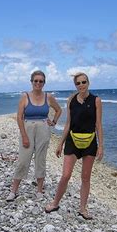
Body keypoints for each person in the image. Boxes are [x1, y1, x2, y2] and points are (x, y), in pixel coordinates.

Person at [45, 72, 103, 219]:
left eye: (84, 82)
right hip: (72, 140)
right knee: (65, 175)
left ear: (88, 83)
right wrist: (60, 143)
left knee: (85, 177)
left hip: (90, 141)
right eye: (78, 83)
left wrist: (101, 145)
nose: (81, 85)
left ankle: (83, 209)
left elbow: (98, 125)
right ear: (75, 85)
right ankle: (55, 203)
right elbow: (68, 123)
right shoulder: (71, 100)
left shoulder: (96, 100)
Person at [7, 70, 62, 201]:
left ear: (44, 83)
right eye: (35, 81)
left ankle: (39, 190)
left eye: (41, 81)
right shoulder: (25, 97)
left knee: (40, 159)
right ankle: (13, 190)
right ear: (31, 82)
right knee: (23, 160)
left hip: (43, 129)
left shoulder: (48, 97)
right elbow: (19, 118)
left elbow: (59, 110)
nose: (38, 83)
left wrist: (53, 122)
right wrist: (24, 135)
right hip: (28, 128)